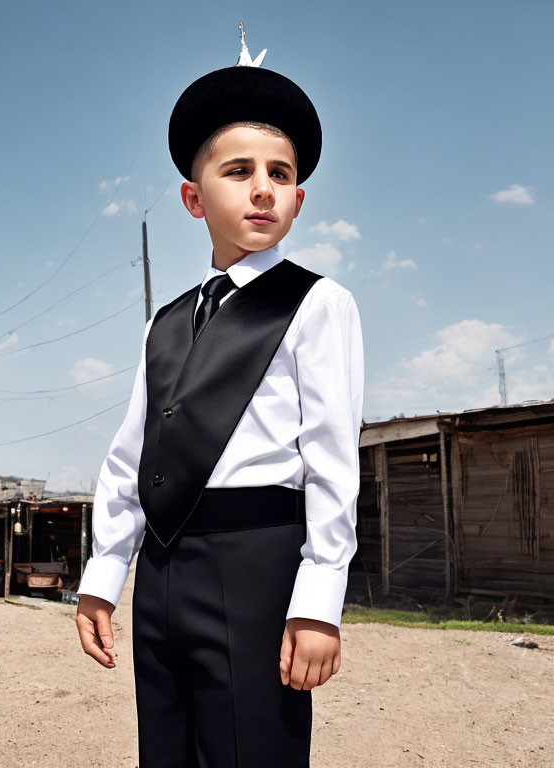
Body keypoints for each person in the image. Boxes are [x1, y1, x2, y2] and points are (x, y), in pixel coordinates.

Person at [75, 26, 364, 768]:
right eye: (238, 170)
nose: (262, 187)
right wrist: (106, 575)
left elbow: (333, 459)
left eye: (280, 172)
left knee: (250, 751)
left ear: (299, 198)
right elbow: (131, 454)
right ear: (192, 197)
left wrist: (318, 600)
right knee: (166, 751)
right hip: (166, 572)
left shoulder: (317, 304)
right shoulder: (164, 322)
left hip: (258, 562)